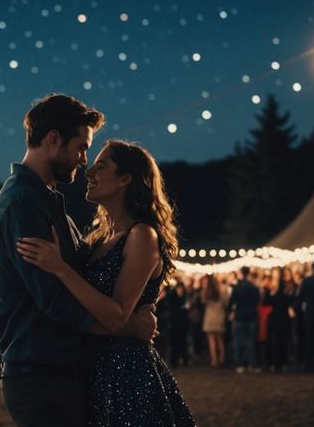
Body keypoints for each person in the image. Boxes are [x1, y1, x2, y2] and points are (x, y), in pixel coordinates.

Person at [0, 96, 160, 427]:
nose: (84, 162)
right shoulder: (23, 204)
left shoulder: (48, 203)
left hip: (64, 372)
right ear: (54, 139)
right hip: (43, 374)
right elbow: (54, 300)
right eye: (82, 148)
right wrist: (129, 327)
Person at [18, 138, 194, 426]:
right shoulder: (98, 239)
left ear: (125, 178)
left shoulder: (141, 235)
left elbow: (116, 316)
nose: (88, 172)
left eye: (100, 166)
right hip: (91, 370)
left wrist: (60, 268)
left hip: (126, 374)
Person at [228, 267, 260, 373]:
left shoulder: (237, 288)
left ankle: (240, 364)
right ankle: (252, 364)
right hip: (252, 317)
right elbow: (257, 301)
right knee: (251, 342)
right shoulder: (254, 287)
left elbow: (232, 302)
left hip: (240, 317)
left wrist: (230, 312)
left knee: (239, 342)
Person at [201, 275, 227, 367]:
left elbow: (203, 301)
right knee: (220, 339)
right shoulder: (222, 293)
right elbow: (225, 303)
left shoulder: (206, 292)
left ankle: (214, 360)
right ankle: (222, 358)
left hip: (209, 318)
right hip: (220, 317)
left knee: (211, 340)